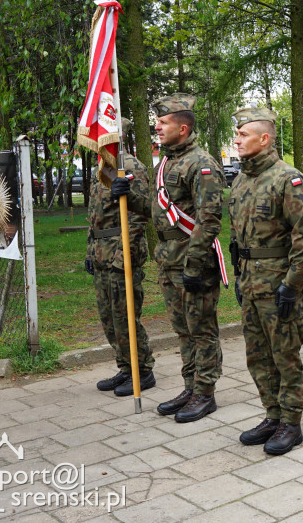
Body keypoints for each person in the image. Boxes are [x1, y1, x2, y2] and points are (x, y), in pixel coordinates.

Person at [113, 93, 226, 423]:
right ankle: (190, 386)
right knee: (183, 330)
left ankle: (205, 393)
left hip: (193, 261)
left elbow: (209, 220)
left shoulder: (201, 164)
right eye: (157, 123)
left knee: (201, 330)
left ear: (184, 127)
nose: (157, 128)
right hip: (168, 260)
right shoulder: (165, 163)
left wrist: (194, 264)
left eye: (163, 123)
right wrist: (129, 196)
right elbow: (154, 209)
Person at [229, 106, 303, 455]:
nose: (237, 140)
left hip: (278, 284)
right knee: (257, 356)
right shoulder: (240, 180)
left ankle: (291, 423)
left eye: (243, 135)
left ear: (264, 139)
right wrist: (239, 276)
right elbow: (239, 236)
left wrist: (293, 283)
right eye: (237, 134)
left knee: (284, 354)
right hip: (250, 282)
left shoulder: (288, 178)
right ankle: (272, 414)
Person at [88, 118, 156, 396]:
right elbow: (95, 216)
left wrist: (123, 256)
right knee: (109, 318)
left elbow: (140, 215)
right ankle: (125, 367)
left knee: (126, 316)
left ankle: (143, 371)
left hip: (121, 253)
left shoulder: (131, 168)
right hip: (102, 253)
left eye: (103, 136)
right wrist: (90, 252)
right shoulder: (101, 169)